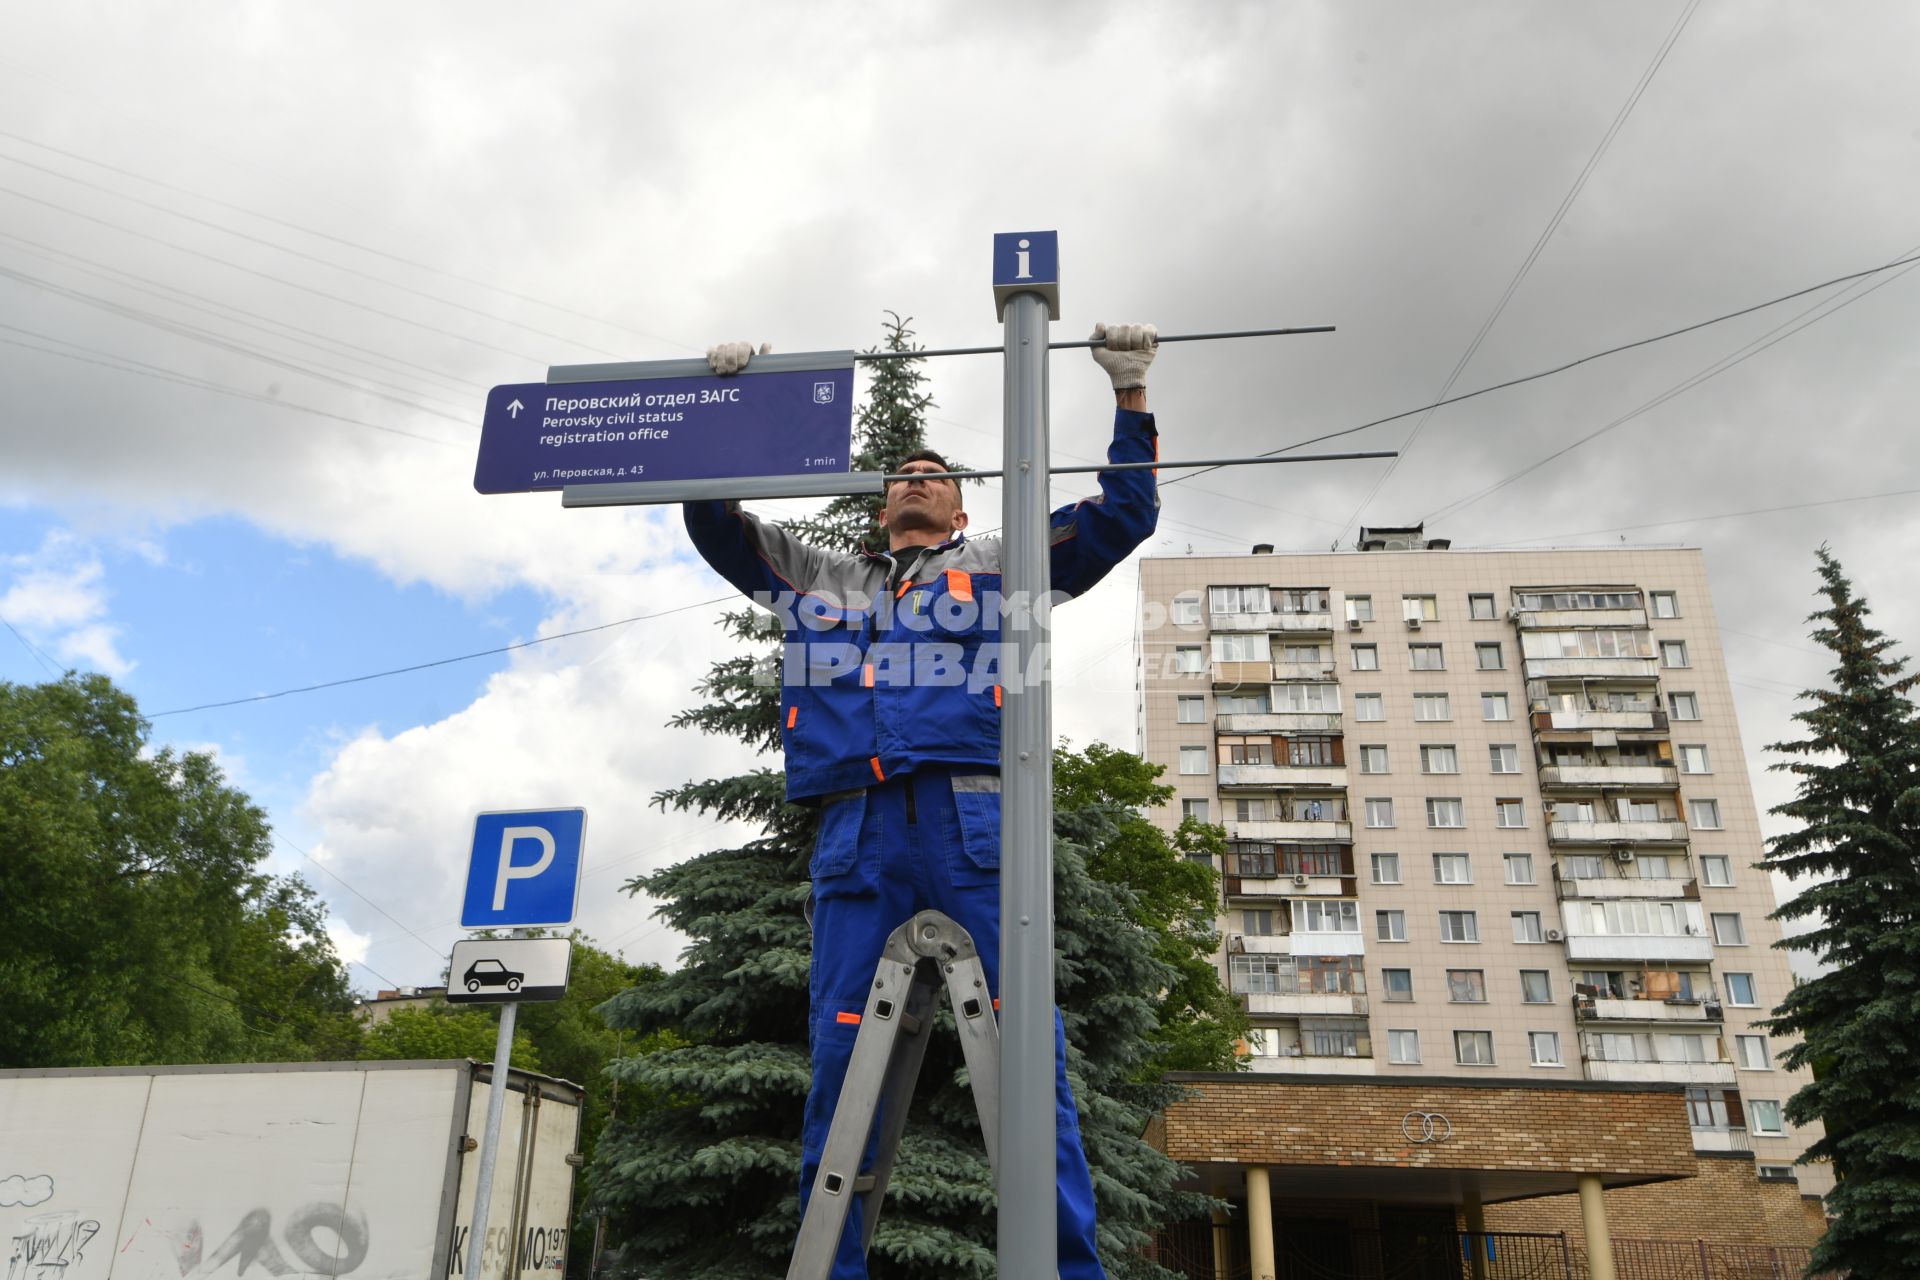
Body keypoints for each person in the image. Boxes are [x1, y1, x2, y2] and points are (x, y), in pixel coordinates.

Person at [683, 324, 1160, 1280]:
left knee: (1030, 1055)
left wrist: (1131, 395)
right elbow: (713, 523)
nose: (915, 479)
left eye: (935, 474)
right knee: (839, 1051)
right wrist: (726, 413)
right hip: (858, 830)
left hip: (977, 819)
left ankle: (1068, 1272)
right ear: (879, 503)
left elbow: (1123, 516)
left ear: (957, 503)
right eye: (901, 472)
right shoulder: (821, 578)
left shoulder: (1003, 558)